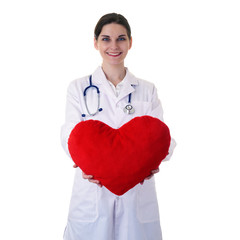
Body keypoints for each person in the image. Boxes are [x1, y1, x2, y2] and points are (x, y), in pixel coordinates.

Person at [61, 13, 176, 240]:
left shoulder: (147, 90)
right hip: (91, 197)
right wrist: (84, 161)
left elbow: (164, 139)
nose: (113, 46)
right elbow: (69, 135)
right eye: (106, 39)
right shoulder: (78, 88)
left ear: (130, 42)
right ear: (95, 43)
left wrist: (154, 160)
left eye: (121, 39)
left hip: (137, 195)